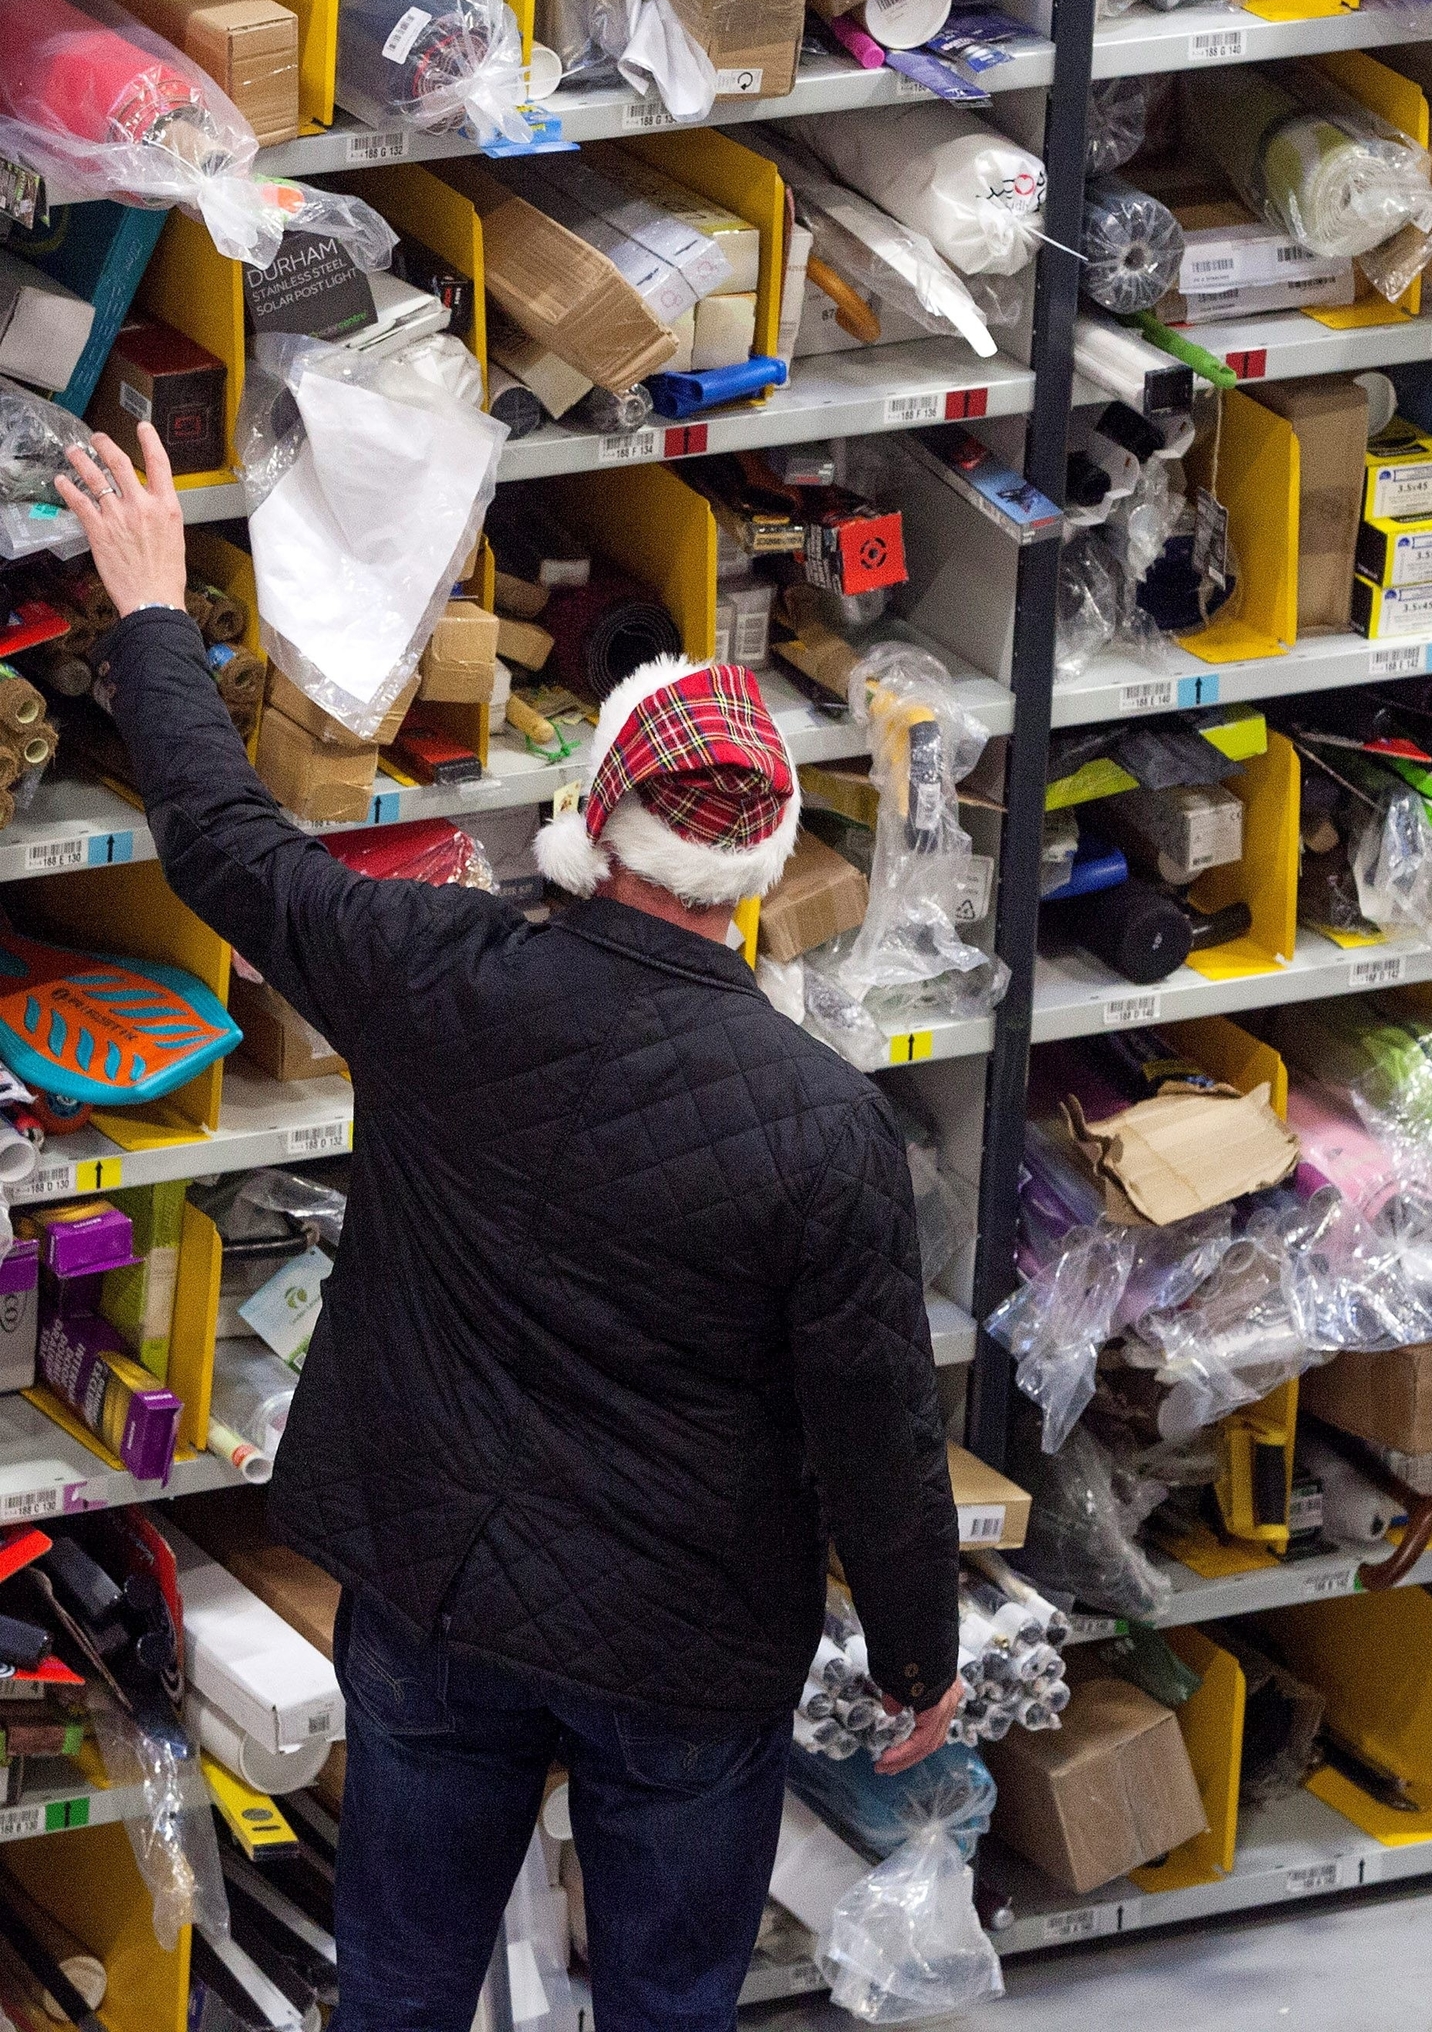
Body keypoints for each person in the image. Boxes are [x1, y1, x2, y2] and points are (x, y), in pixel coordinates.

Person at [59, 424, 964, 2032]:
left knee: (400, 1982)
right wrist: (914, 1655)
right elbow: (876, 1436)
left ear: (594, 822)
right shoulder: (820, 1128)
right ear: (757, 863)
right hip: (686, 1647)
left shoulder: (436, 975)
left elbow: (224, 844)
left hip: (439, 1594)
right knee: (667, 2000)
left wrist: (147, 605)